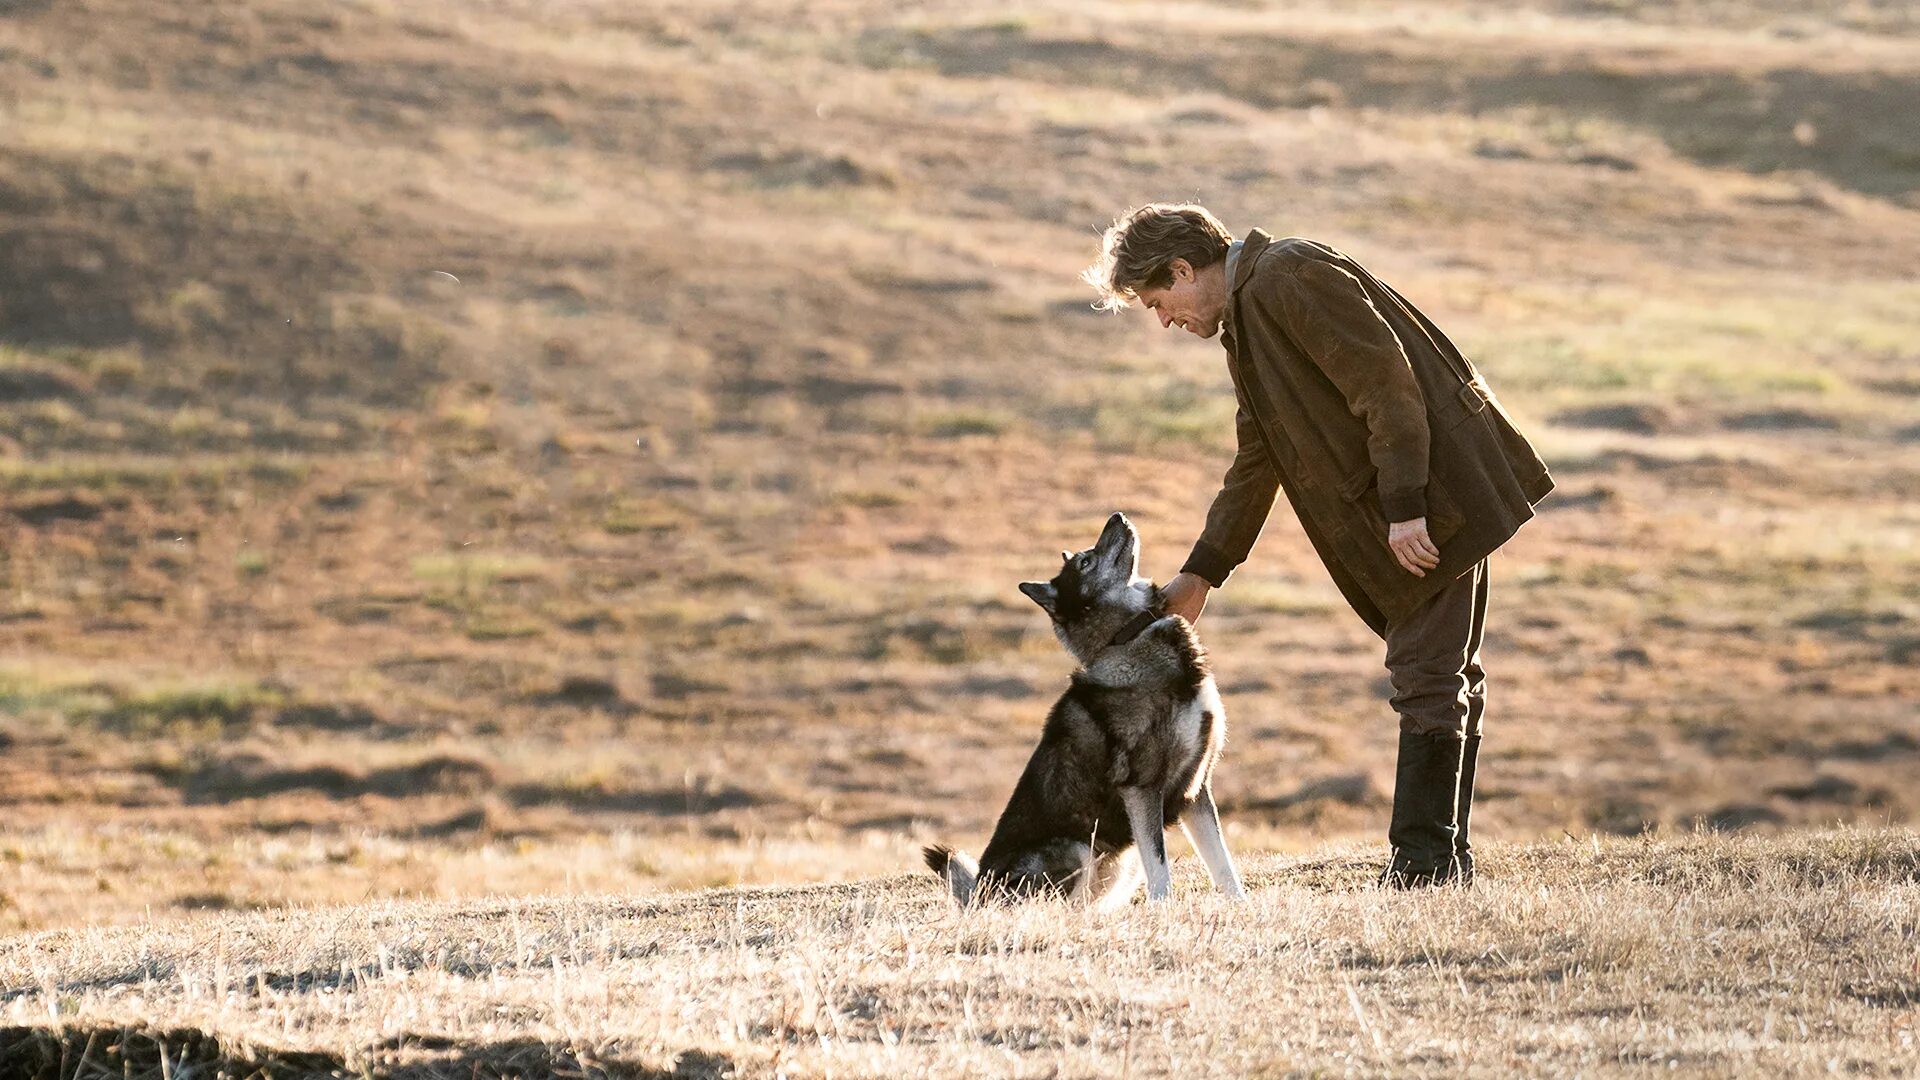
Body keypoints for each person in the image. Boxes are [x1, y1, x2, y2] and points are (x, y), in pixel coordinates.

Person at [1082, 204, 1554, 886]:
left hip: (1436, 502)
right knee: (1444, 678)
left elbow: (1385, 386)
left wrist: (1405, 508)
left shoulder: (1288, 277)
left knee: (1427, 676)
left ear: (1184, 268)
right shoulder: (1247, 322)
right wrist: (1202, 573)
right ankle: (1443, 863)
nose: (1165, 321)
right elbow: (1257, 459)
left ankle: (1422, 869)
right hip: (1430, 502)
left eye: (1160, 301)